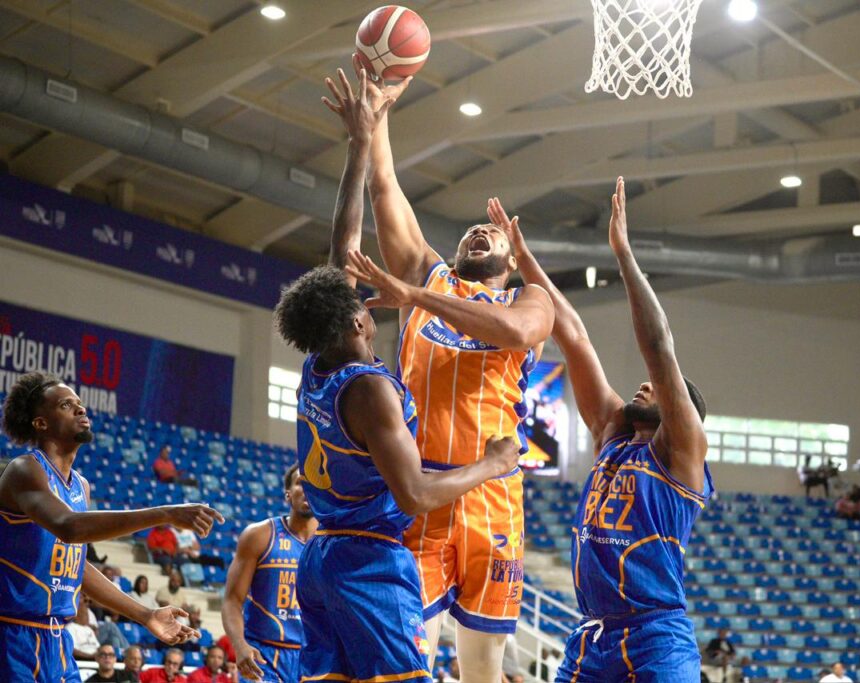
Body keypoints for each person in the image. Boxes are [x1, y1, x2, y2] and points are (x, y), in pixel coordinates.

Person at [273, 66, 521, 683]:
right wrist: (494, 463)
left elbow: (342, 249)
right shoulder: (372, 387)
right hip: (386, 537)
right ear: (360, 322)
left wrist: (361, 136)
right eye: (360, 303)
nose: (365, 299)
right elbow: (412, 494)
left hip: (334, 551)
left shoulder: (319, 365)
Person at [362, 64, 555, 678]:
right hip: (420, 488)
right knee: (406, 652)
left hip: (494, 496)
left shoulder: (529, 299)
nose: (479, 231)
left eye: (491, 232)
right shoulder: (428, 274)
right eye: (472, 229)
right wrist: (378, 115)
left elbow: (516, 333)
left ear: (510, 258)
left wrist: (413, 297)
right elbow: (385, 186)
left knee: (482, 665)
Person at [479, 181, 711, 680]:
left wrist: (623, 255)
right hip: (592, 637)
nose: (645, 384)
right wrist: (525, 261)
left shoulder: (683, 454)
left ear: (681, 411)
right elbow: (573, 335)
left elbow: (659, 349)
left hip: (656, 637)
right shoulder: (613, 434)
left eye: (659, 388)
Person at [0, 372, 223, 682]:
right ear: (41, 423)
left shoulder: (81, 486)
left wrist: (145, 614)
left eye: (79, 403)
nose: (81, 409)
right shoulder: (25, 469)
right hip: (13, 636)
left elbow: (78, 566)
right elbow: (69, 527)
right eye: (66, 405)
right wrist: (165, 513)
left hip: (58, 641)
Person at [223, 464, 317, 683]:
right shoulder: (259, 535)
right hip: (263, 655)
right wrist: (240, 645)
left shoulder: (331, 542)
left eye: (314, 483)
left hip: (313, 657)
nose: (307, 489)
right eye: (300, 483)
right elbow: (232, 600)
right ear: (288, 494)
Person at [69, 595, 102, 660]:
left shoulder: (89, 629)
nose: (88, 617)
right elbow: (72, 650)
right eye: (85, 615)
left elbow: (97, 646)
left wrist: (100, 654)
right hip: (81, 660)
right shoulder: (70, 627)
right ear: (76, 616)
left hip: (95, 659)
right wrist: (90, 657)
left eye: (87, 615)